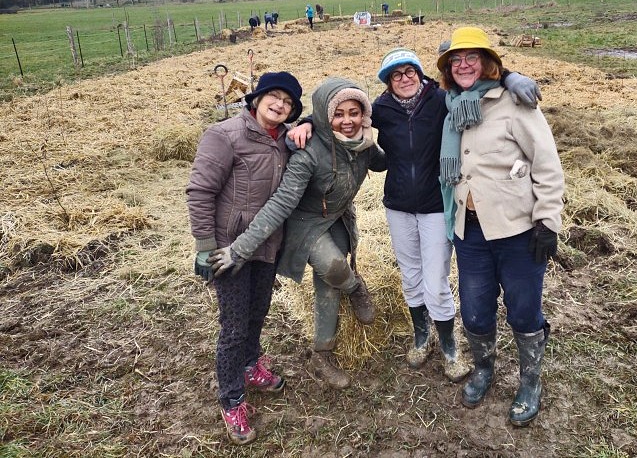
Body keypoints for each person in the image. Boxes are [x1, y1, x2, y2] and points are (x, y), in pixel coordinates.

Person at [287, 48, 542, 384]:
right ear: (388, 82)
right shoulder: (382, 109)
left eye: (410, 71)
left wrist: (511, 77)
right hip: (398, 205)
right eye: (396, 74)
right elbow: (340, 113)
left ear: (420, 74)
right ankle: (421, 337)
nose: (404, 78)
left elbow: (477, 84)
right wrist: (306, 122)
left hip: (436, 204)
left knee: (435, 281)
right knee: (410, 276)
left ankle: (450, 348)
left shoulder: (441, 100)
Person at [209, 78, 386, 391]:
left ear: (364, 114)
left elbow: (383, 163)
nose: (347, 121)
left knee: (328, 284)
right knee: (335, 267)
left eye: (354, 112)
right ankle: (356, 287)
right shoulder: (307, 153)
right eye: (338, 114)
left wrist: (382, 137)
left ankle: (322, 354)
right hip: (305, 223)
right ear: (325, 116)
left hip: (336, 218)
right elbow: (281, 202)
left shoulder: (362, 144)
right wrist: (239, 249)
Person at [436, 27, 564, 427]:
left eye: (471, 58)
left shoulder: (514, 103)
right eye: (456, 60)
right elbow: (399, 93)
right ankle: (484, 369)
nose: (463, 65)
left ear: (488, 63)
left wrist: (548, 220)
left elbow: (546, 164)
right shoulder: (451, 105)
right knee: (475, 313)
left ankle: (530, 381)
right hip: (469, 231)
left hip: (518, 231)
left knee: (524, 312)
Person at [186, 71, 304, 445]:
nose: (280, 104)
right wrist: (205, 245)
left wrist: (310, 124)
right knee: (234, 327)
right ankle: (232, 398)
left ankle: (251, 366)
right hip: (229, 249)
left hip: (267, 245)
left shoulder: (287, 139)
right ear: (257, 98)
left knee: (258, 312)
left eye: (288, 101)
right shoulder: (225, 135)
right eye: (274, 96)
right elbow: (200, 191)